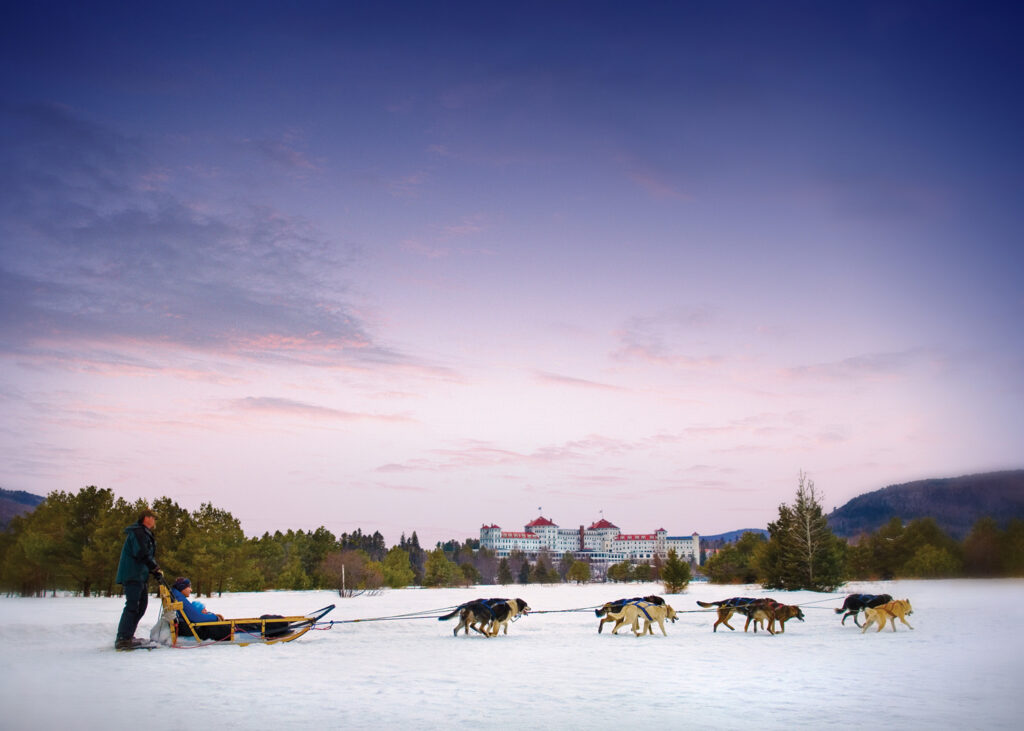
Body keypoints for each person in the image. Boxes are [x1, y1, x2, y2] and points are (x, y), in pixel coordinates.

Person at [114, 509, 162, 650]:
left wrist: (153, 569)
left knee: (141, 606)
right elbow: (141, 552)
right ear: (146, 518)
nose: (154, 521)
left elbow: (146, 555)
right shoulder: (138, 532)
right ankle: (123, 638)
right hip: (133, 574)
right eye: (153, 518)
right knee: (133, 606)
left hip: (140, 574)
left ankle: (128, 635)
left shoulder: (144, 533)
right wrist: (154, 567)